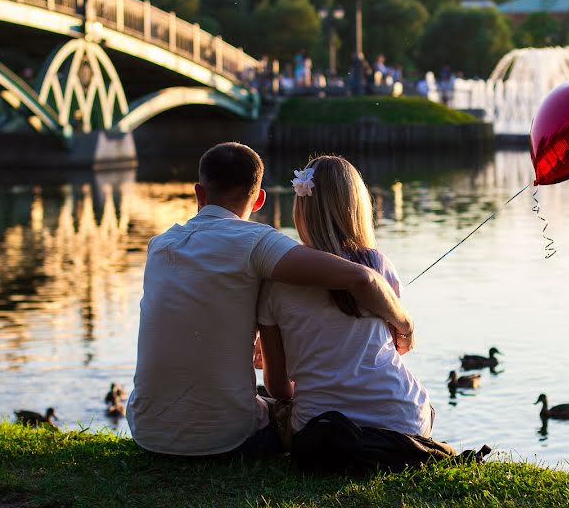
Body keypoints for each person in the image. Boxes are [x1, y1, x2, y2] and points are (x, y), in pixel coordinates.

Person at [126, 143, 413, 458]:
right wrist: (406, 325)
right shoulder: (257, 241)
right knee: (277, 410)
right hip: (226, 440)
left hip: (147, 432)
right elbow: (361, 278)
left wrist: (265, 336)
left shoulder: (158, 246)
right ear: (259, 199)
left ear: (199, 192)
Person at [258, 156, 433, 444]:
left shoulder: (275, 281)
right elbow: (395, 348)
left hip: (321, 433)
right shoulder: (378, 265)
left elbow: (278, 388)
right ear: (357, 206)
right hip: (403, 422)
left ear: (300, 205)